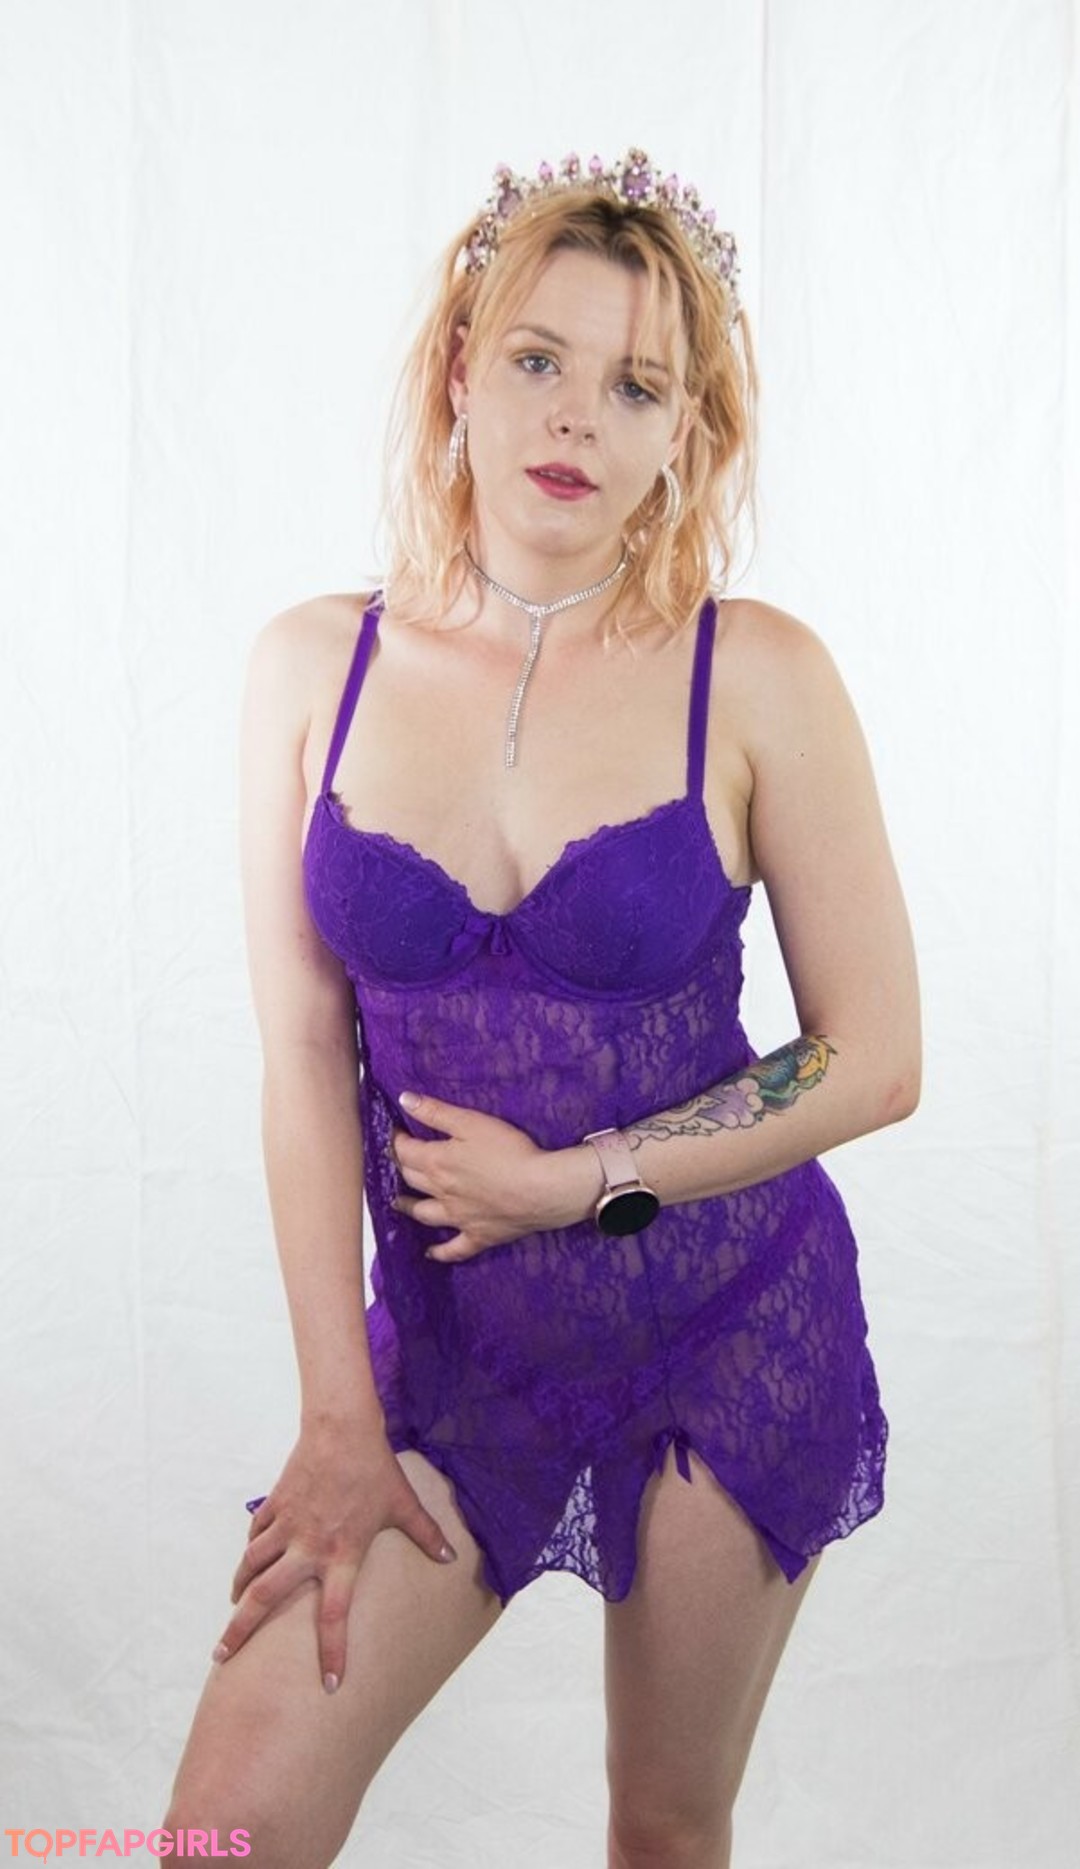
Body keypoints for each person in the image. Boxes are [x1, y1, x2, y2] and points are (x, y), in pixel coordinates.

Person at [164, 147, 920, 1868]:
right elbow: (302, 1059)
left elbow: (875, 1058)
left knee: (664, 1824)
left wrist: (573, 1182)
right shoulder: (313, 667)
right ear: (459, 370)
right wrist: (337, 1413)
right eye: (537, 358)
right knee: (224, 1829)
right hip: (453, 1360)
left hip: (726, 1320)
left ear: (685, 434)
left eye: (635, 385)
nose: (578, 415)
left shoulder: (760, 676)